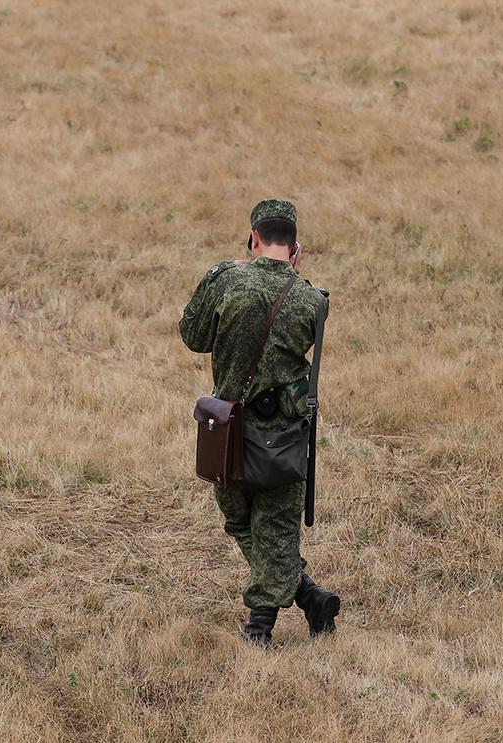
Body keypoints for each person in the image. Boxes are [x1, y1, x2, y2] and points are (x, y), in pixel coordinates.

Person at [179, 198, 340, 647]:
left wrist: (216, 273)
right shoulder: (312, 301)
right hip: (285, 439)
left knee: (239, 520)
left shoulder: (228, 282)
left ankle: (259, 627)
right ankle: (308, 595)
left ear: (253, 239)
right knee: (277, 527)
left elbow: (193, 337)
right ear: (295, 247)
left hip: (229, 432)